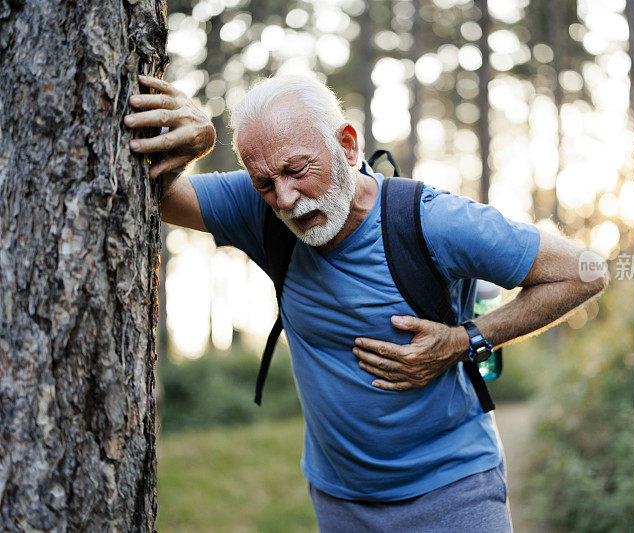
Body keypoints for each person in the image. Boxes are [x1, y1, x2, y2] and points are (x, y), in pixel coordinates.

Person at [125, 73, 608, 531]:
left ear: (348, 145)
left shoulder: (436, 223)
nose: (287, 199)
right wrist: (195, 145)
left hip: (454, 490)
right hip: (340, 499)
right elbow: (152, 194)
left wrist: (465, 341)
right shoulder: (261, 211)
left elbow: (585, 271)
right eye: (265, 183)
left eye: (297, 169)